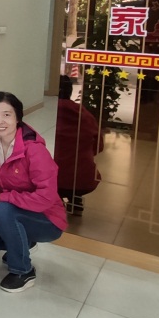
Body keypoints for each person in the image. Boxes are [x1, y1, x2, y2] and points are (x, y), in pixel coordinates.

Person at [0, 91, 68, 292]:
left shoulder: (34, 150)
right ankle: (23, 241)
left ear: (18, 117)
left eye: (7, 115)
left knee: (2, 210)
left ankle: (23, 271)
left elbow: (45, 197)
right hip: (16, 211)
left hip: (47, 219)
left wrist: (2, 197)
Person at [54, 76, 102, 214]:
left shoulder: (48, 112)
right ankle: (75, 200)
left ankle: (55, 200)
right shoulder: (83, 113)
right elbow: (98, 145)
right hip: (84, 180)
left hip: (51, 179)